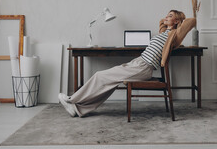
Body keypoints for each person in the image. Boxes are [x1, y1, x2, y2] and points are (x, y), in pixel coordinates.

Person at [58, 10, 196, 117]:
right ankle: (78, 109)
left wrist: (179, 20)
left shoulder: (174, 36)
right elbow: (162, 22)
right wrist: (169, 20)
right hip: (137, 62)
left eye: (169, 16)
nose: (165, 17)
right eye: (166, 15)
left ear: (177, 21)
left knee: (100, 75)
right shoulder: (163, 33)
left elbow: (191, 21)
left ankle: (72, 99)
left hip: (144, 67)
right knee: (109, 84)